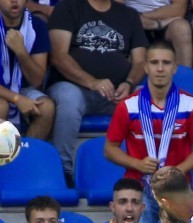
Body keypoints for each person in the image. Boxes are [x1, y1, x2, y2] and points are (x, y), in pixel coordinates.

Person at [104, 40, 193, 223]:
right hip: (139, 187)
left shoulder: (190, 104)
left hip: (178, 188)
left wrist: (175, 172)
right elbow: (109, 149)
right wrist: (137, 163)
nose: (160, 68)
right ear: (145, 67)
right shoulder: (128, 106)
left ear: (175, 67)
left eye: (166, 63)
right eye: (154, 63)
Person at [47, 0, 148, 182]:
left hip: (117, 92)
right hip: (75, 88)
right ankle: (62, 171)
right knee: (69, 98)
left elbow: (141, 61)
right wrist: (92, 82)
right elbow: (58, 56)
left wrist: (129, 83)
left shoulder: (129, 15)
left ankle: (147, 168)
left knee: (147, 99)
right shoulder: (68, 7)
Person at [0, 0, 56, 140]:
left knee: (47, 107)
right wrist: (16, 99)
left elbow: (37, 80)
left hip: (22, 88)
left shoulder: (37, 26)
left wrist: (21, 52)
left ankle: (25, 157)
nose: (14, 1)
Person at [125, 0, 193, 67]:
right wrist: (138, 19)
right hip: (132, 17)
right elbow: (118, 7)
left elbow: (179, 8)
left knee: (182, 28)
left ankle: (184, 75)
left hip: (164, 17)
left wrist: (148, 19)